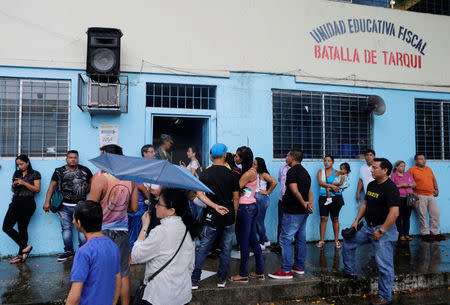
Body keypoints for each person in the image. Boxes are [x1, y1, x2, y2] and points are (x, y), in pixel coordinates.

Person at [342, 158, 400, 305]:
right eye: (371, 168)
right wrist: (356, 221)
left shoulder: (390, 188)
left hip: (383, 231)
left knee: (384, 265)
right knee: (348, 241)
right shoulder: (372, 184)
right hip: (368, 227)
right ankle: (350, 271)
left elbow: (394, 213)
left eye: (374, 168)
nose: (371, 170)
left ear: (385, 170)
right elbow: (365, 204)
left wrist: (382, 230)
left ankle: (385, 297)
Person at [88, 144, 139, 305]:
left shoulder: (100, 178)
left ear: (106, 158)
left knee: (101, 272)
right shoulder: (130, 180)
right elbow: (134, 208)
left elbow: (89, 208)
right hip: (122, 232)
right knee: (123, 272)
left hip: (101, 232)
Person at [131, 188, 198, 305]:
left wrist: (144, 228)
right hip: (182, 295)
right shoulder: (188, 228)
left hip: (160, 295)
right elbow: (190, 265)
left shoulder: (161, 231)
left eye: (159, 204)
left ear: (171, 210)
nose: (156, 206)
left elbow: (136, 256)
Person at [191, 143, 240, 289]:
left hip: (211, 216)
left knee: (204, 248)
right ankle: (221, 280)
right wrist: (234, 216)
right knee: (226, 250)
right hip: (228, 216)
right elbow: (236, 198)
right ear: (225, 155)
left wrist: (214, 206)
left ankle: (194, 280)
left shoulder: (205, 173)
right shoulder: (232, 175)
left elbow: (199, 194)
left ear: (211, 156)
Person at [66, 201, 121, 305]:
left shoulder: (83, 252)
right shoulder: (113, 247)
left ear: (79, 223)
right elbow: (118, 279)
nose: (72, 222)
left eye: (74, 219)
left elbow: (75, 294)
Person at [269, 149, 313, 279]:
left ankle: (286, 270)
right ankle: (299, 267)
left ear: (293, 158)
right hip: (302, 212)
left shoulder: (292, 171)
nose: (286, 157)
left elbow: (294, 191)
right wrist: (309, 203)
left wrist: (304, 203)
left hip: (293, 211)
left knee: (285, 239)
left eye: (287, 155)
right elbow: (309, 191)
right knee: (300, 238)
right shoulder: (305, 172)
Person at [43, 150, 93, 261]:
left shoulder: (85, 170)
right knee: (66, 229)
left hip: (81, 206)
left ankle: (83, 252)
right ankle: (68, 251)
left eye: (75, 157)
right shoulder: (58, 171)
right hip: (63, 206)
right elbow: (51, 186)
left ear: (78, 159)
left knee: (82, 230)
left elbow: (92, 182)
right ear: (66, 159)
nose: (73, 159)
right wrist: (47, 202)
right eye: (70, 157)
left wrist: (85, 192)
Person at [229, 146, 265, 282]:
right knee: (253, 241)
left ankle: (243, 274)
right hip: (251, 207)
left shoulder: (248, 173)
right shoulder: (251, 171)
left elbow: (235, 190)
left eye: (237, 156)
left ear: (243, 158)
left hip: (245, 208)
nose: (235, 158)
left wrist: (235, 214)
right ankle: (260, 271)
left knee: (243, 242)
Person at [2, 154, 41, 264]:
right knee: (6, 227)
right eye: (18, 164)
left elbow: (37, 189)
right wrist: (14, 186)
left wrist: (23, 182)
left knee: (22, 228)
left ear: (27, 162)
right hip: (15, 202)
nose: (19, 166)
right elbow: (13, 189)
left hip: (27, 204)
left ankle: (21, 255)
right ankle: (25, 247)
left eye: (21, 164)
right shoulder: (17, 173)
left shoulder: (35, 174)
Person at [408, 154, 445, 241]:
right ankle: (425, 234)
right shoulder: (411, 170)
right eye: (420, 159)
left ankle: (435, 233)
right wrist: (413, 193)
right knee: (422, 215)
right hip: (419, 196)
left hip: (431, 195)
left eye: (424, 159)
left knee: (435, 214)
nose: (423, 160)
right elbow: (408, 184)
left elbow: (433, 179)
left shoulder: (428, 169)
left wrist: (436, 189)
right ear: (416, 161)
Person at [316, 155, 345, 249]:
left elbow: (342, 183)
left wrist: (337, 187)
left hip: (335, 198)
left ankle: (336, 241)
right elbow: (320, 182)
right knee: (323, 219)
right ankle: (321, 240)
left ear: (332, 162)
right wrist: (332, 186)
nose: (326, 162)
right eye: (325, 160)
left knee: (335, 219)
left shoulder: (337, 172)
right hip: (323, 198)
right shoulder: (320, 172)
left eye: (329, 161)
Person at [254, 157, 278, 250]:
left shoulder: (264, 174)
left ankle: (262, 242)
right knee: (256, 222)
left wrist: (267, 192)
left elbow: (274, 182)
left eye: (255, 164)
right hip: (257, 199)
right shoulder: (255, 173)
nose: (253, 165)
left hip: (262, 199)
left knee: (259, 222)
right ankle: (266, 240)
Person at [390, 160, 415, 242]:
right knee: (399, 217)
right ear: (396, 167)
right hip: (399, 198)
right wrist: (402, 185)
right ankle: (400, 235)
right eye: (401, 166)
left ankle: (407, 234)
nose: (403, 167)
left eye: (404, 166)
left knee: (407, 217)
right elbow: (391, 187)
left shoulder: (408, 175)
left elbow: (414, 184)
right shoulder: (393, 175)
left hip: (409, 198)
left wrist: (410, 184)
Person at [271, 161, 290, 254]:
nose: (286, 158)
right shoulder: (282, 167)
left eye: (288, 156)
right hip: (281, 199)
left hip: (291, 201)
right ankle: (279, 244)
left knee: (291, 223)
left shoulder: (296, 169)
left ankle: (288, 245)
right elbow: (280, 180)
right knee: (281, 222)